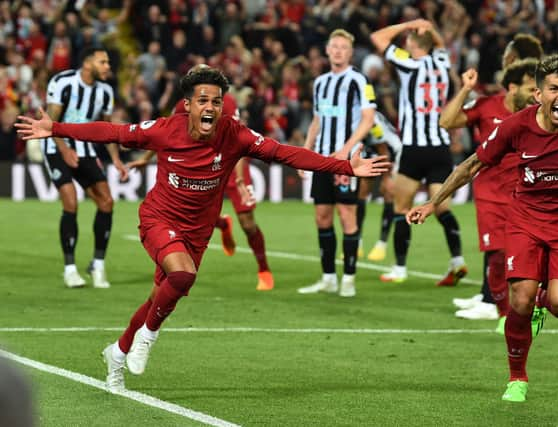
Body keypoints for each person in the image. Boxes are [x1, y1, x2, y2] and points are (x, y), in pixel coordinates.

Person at [16, 68, 389, 393]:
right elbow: (112, 131)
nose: (210, 107)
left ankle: (117, 352)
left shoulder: (235, 134)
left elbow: (285, 153)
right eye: (203, 100)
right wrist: (56, 128)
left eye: (216, 101)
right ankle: (148, 336)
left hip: (197, 231)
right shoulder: (165, 130)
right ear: (188, 106)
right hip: (159, 218)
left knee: (160, 295)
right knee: (181, 275)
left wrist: (343, 167)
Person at [406, 55, 558, 402]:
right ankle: (517, 377)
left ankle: (544, 302)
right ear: (538, 95)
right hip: (524, 223)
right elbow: (471, 166)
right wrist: (432, 202)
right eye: (554, 89)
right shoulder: (516, 126)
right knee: (519, 300)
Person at [128, 74, 274, 291]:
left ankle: (263, 269)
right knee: (192, 212)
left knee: (247, 221)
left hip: (232, 163)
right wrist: (145, 158)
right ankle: (222, 224)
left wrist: (241, 178)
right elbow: (164, 133)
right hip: (201, 164)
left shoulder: (228, 102)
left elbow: (240, 139)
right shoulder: (181, 106)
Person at [439, 59, 539, 325]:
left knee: (528, 257)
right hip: (491, 195)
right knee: (497, 256)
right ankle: (503, 314)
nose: (534, 95)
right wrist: (465, 90)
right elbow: (446, 121)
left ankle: (528, 307)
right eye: (530, 89)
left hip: (526, 194)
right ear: (512, 87)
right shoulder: (485, 106)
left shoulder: (536, 113)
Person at [370, 19, 466, 285]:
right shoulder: (442, 61)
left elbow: (378, 37)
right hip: (439, 147)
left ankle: (399, 268)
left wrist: (412, 24)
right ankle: (457, 260)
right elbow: (440, 44)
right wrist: (429, 28)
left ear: (412, 45)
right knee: (441, 207)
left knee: (401, 207)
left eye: (408, 42)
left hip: (414, 147)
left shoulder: (408, 62)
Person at [296, 29, 376, 298]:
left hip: (347, 161)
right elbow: (317, 121)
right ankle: (329, 277)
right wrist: (304, 153)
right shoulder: (320, 83)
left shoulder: (359, 81)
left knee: (347, 215)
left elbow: (368, 118)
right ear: (327, 50)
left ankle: (349, 279)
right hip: (321, 159)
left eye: (344, 46)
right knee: (322, 217)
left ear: (350, 52)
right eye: (334, 46)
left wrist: (345, 149)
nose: (339, 50)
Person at [43, 46, 127, 289]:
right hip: (56, 148)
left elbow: (108, 129)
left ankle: (98, 265)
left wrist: (116, 160)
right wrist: (64, 150)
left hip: (86, 150)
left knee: (107, 202)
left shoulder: (105, 91)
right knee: (70, 201)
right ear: (88, 63)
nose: (107, 67)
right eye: (103, 62)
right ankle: (70, 269)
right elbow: (51, 122)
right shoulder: (62, 82)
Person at [361, 111, 403, 262]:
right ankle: (357, 242)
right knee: (362, 191)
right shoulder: (351, 113)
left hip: (392, 153)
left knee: (389, 193)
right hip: (370, 151)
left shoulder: (371, 120)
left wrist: (386, 179)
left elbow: (383, 148)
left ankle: (381, 245)